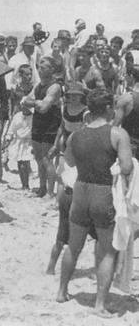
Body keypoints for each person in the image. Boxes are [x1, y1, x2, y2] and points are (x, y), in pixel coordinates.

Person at [56, 89, 133, 318]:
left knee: (74, 245)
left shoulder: (75, 136)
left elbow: (68, 161)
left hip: (80, 190)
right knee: (108, 251)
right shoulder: (118, 134)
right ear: (109, 108)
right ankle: (99, 305)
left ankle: (61, 291)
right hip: (102, 192)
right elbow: (127, 167)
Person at [22, 57, 62, 198]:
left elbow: (44, 107)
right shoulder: (39, 85)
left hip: (50, 126)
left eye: (44, 67)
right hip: (38, 124)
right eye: (39, 67)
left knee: (47, 159)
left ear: (52, 70)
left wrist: (32, 102)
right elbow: (25, 100)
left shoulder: (54, 87)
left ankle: (50, 193)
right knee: (39, 158)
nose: (40, 70)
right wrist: (35, 102)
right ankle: (42, 188)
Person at [4, 104, 33, 190]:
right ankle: (24, 185)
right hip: (18, 141)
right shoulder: (17, 116)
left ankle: (26, 184)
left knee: (25, 162)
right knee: (20, 163)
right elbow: (12, 128)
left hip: (29, 142)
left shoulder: (33, 117)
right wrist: (8, 138)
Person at [114, 64, 139, 158]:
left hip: (130, 145)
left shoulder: (126, 99)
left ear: (131, 77)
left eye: (126, 76)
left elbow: (116, 124)